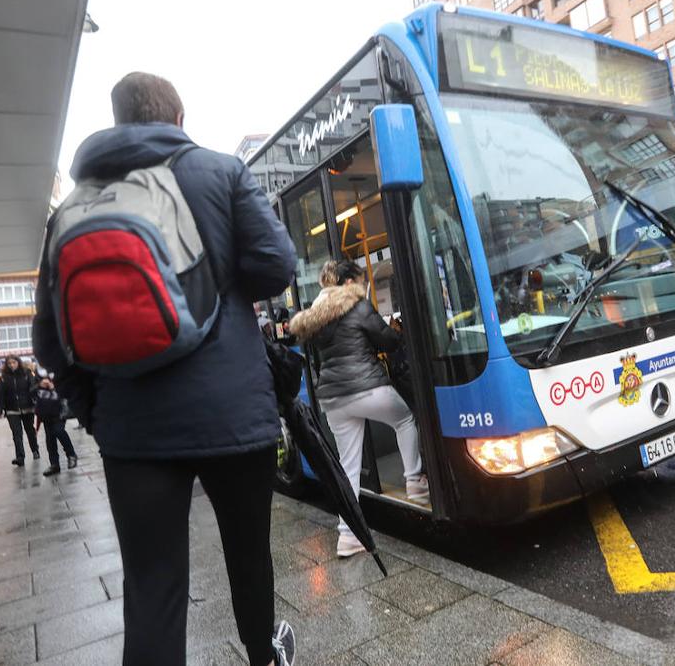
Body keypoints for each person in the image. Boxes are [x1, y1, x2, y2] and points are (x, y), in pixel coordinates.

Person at [33, 72, 299, 666]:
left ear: (118, 120)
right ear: (178, 119)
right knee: (248, 553)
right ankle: (265, 653)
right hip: (233, 415)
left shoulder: (71, 209)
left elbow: (51, 344)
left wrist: (98, 416)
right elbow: (276, 267)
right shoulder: (218, 172)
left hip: (134, 433)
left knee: (151, 586)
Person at [289, 260, 429, 557]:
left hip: (333, 399)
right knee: (404, 419)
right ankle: (415, 481)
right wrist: (396, 330)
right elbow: (388, 341)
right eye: (362, 279)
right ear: (350, 282)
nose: (364, 285)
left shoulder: (316, 316)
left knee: (348, 466)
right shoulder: (357, 304)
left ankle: (348, 537)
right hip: (367, 387)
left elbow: (318, 360)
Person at [0, 354, 39, 466]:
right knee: (16, 433)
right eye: (9, 363)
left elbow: (33, 388)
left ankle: (35, 450)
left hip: (27, 407)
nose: (11, 365)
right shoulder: (4, 377)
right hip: (11, 409)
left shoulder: (26, 373)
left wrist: (35, 402)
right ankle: (20, 457)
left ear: (18, 362)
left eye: (14, 362)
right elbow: (1, 394)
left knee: (30, 431)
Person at [33, 376, 78, 476]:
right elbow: (30, 392)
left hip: (59, 414)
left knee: (59, 431)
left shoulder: (59, 373)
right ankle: (54, 464)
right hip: (46, 415)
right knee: (50, 440)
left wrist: (53, 387)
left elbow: (68, 391)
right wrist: (39, 385)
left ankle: (71, 455)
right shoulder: (39, 379)